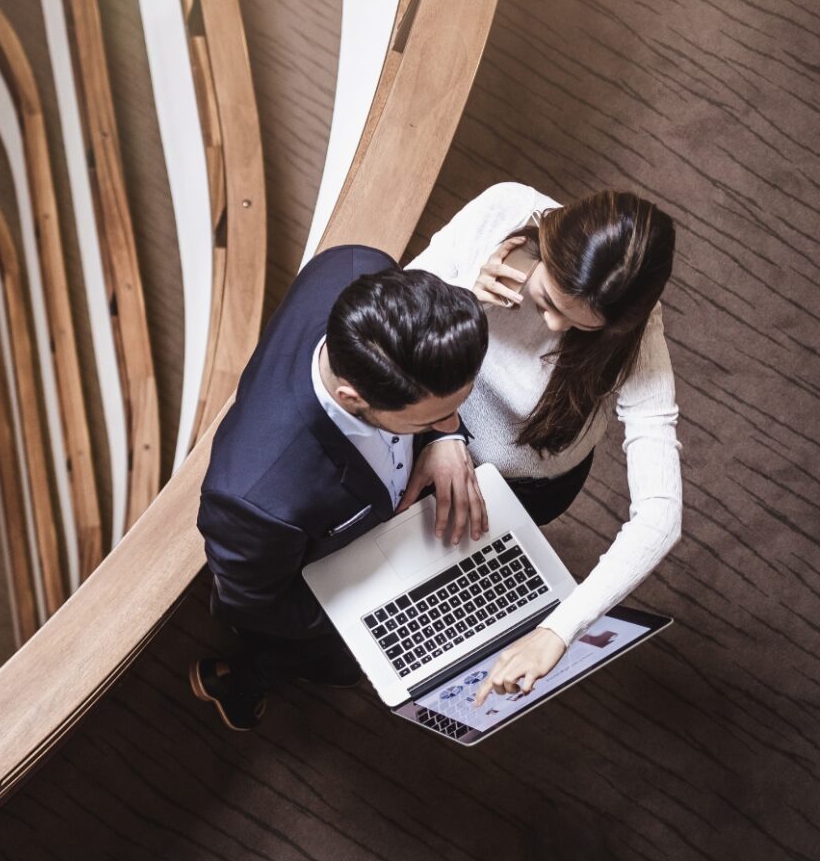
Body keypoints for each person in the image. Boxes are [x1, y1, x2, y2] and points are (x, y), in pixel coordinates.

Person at [192, 244, 489, 730]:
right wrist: (374, 609)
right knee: (335, 663)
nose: (454, 422)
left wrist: (444, 438)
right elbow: (257, 601)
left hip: (378, 529)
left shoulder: (360, 265)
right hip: (321, 594)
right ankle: (252, 675)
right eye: (434, 418)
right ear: (352, 397)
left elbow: (443, 411)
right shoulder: (256, 497)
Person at [406, 182, 681, 705]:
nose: (555, 327)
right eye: (550, 302)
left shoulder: (636, 334)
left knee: (446, 570)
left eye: (582, 328)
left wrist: (559, 630)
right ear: (547, 244)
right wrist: (460, 293)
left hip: (531, 485)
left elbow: (661, 514)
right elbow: (389, 315)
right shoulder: (503, 209)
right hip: (429, 422)